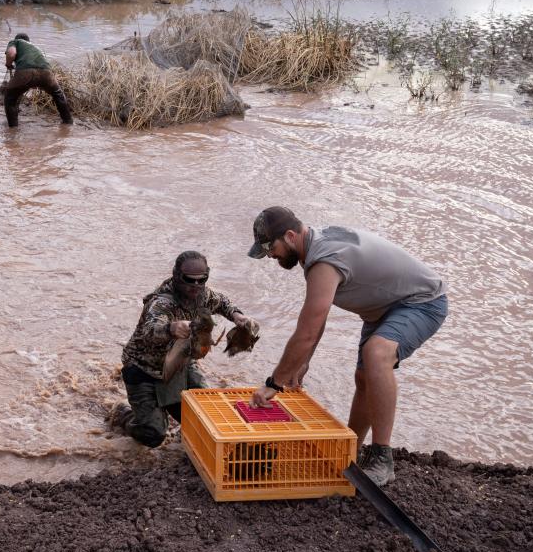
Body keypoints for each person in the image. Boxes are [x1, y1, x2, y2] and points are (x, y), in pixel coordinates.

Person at [246, 206, 447, 486]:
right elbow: (317, 320)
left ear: (290, 236)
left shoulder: (324, 261)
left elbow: (306, 331)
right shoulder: (314, 248)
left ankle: (382, 457)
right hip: (384, 310)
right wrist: (302, 362)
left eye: (271, 247)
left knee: (377, 355)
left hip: (421, 303)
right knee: (364, 377)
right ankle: (351, 450)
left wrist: (274, 382)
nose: (270, 255)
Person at [113, 251, 259, 448]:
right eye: (189, 280)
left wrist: (237, 316)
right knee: (153, 435)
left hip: (179, 364)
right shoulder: (162, 302)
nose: (195, 286)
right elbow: (149, 331)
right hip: (143, 369)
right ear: (176, 275)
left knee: (206, 414)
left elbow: (222, 302)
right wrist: (171, 328)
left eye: (202, 280)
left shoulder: (203, 294)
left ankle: (169, 410)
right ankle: (124, 414)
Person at [2, 32, 73, 128]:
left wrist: (8, 64)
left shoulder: (16, 42)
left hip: (26, 73)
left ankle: (13, 129)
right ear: (28, 41)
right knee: (58, 95)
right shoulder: (36, 47)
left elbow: (11, 53)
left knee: (10, 98)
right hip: (46, 73)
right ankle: (68, 123)